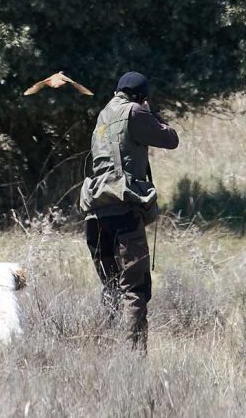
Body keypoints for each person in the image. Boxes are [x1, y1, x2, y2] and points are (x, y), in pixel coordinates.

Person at [80, 71, 179, 351]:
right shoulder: (135, 111)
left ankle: (104, 347)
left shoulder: (103, 115)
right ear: (141, 96)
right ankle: (133, 357)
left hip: (95, 212)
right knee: (134, 289)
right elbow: (171, 139)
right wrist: (152, 114)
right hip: (124, 211)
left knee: (111, 286)